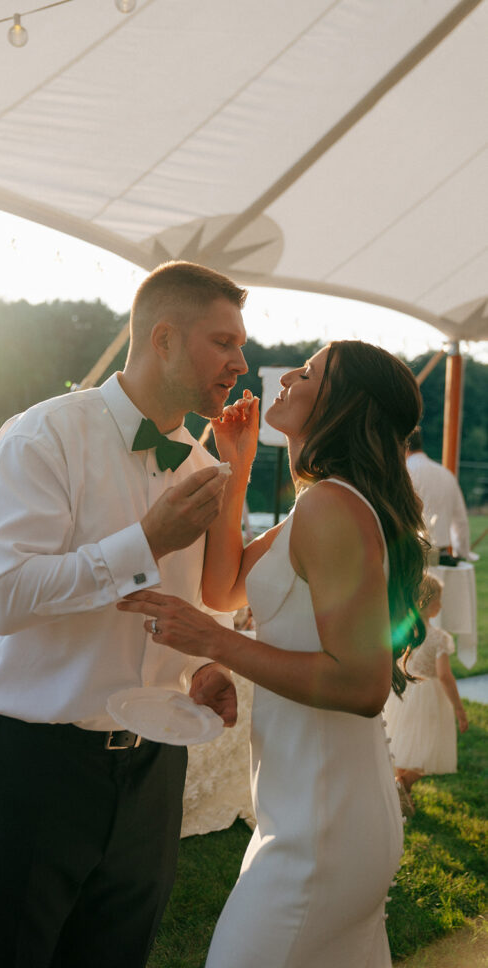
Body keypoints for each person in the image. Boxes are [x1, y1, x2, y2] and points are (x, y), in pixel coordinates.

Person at [0, 261, 248, 968]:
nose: (239, 363)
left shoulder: (199, 462)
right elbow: (11, 597)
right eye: (222, 342)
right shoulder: (42, 437)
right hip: (39, 767)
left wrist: (202, 668)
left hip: (153, 769)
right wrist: (145, 542)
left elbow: (188, 605)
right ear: (164, 340)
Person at [118, 340, 427, 968]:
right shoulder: (320, 504)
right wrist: (236, 466)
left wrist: (213, 642)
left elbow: (362, 686)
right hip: (308, 808)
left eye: (309, 372)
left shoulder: (334, 508)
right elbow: (223, 587)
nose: (287, 375)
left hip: (325, 825)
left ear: (346, 405)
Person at [384, 573, 468, 816]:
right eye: (438, 601)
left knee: (403, 745)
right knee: (428, 751)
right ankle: (402, 784)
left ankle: (401, 797)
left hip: (400, 694)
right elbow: (445, 676)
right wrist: (459, 709)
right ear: (427, 604)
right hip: (428, 697)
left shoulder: (400, 632)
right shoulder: (439, 638)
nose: (441, 606)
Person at [406, 426, 471, 564]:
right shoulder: (446, 474)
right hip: (442, 558)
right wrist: (461, 553)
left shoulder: (404, 473)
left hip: (409, 558)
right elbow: (460, 521)